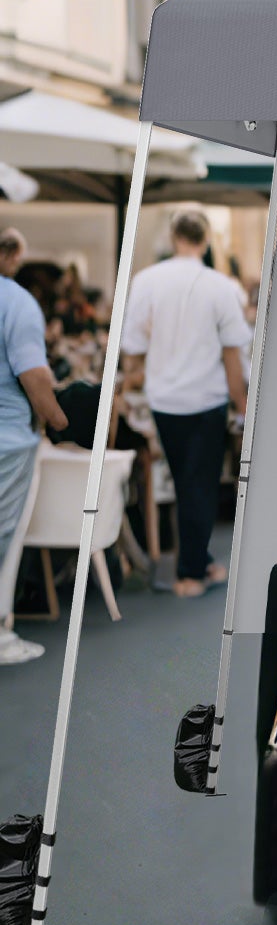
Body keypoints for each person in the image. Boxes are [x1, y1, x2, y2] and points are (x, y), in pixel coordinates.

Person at [121, 211, 250, 599]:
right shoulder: (221, 286)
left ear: (173, 236)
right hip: (206, 398)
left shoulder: (146, 281)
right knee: (202, 485)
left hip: (163, 399)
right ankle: (190, 573)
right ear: (206, 240)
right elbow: (232, 355)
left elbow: (134, 347)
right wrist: (242, 406)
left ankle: (198, 560)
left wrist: (140, 374)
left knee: (184, 481)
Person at [0, 264, 70, 664]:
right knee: (5, 540)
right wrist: (60, 421)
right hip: (8, 440)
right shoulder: (16, 301)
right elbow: (35, 376)